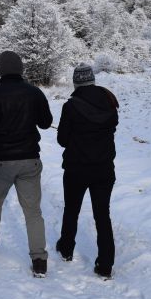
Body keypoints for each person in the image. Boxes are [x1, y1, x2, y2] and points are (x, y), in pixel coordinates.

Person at [0, 51, 53, 277]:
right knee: (33, 212)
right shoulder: (34, 93)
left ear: (1, 70)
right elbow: (46, 123)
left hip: (0, 162)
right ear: (20, 69)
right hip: (29, 160)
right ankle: (39, 260)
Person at [55, 63, 119, 279]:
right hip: (104, 169)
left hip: (76, 168)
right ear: (92, 80)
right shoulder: (110, 102)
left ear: (76, 82)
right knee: (103, 215)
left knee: (71, 209)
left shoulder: (70, 106)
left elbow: (62, 140)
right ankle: (106, 264)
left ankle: (66, 249)